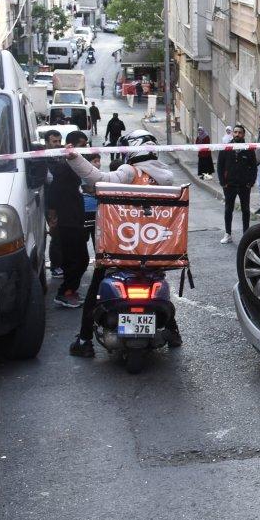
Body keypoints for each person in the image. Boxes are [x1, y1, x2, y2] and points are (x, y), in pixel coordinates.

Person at [62, 129, 181, 357]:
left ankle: (85, 340)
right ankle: (173, 332)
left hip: (121, 245)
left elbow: (100, 179)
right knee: (156, 282)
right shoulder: (166, 177)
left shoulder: (129, 171)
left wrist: (75, 158)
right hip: (155, 248)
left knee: (95, 289)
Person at [47, 131, 91, 309]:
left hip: (76, 218)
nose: (86, 148)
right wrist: (53, 217)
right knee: (76, 260)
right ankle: (65, 292)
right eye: (82, 144)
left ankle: (70, 290)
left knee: (81, 259)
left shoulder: (75, 165)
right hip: (68, 221)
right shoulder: (66, 167)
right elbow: (54, 191)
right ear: (72, 146)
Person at [218, 124, 256, 244]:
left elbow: (253, 167)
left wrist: (251, 182)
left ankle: (246, 234)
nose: (237, 134)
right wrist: (222, 182)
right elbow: (220, 166)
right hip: (229, 185)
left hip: (244, 185)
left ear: (243, 134)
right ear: (232, 133)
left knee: (245, 210)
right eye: (235, 132)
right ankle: (228, 234)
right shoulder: (226, 147)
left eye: (240, 132)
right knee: (228, 209)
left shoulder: (248, 148)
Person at [41, 130, 64, 278]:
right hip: (51, 205)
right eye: (54, 141)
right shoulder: (43, 159)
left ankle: (62, 263)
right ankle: (56, 266)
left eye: (58, 141)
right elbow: (50, 179)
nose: (57, 144)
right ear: (47, 142)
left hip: (63, 201)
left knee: (63, 234)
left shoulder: (61, 156)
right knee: (56, 234)